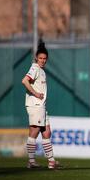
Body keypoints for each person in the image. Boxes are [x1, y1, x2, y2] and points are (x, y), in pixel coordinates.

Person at [22, 40, 61, 169]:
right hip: (35, 105)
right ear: (36, 58)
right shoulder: (35, 68)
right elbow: (25, 81)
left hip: (42, 106)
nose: (43, 60)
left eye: (45, 58)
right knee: (34, 132)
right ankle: (31, 161)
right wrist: (35, 93)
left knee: (47, 133)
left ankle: (51, 161)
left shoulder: (42, 70)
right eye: (40, 58)